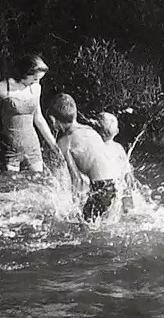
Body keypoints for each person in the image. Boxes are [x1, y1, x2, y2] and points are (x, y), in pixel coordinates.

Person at [46, 93, 124, 222]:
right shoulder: (89, 129)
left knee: (81, 227)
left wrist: (73, 205)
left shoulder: (65, 142)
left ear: (53, 120)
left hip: (101, 188)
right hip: (114, 184)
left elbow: (75, 179)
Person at [0, 52, 58, 174]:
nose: (36, 82)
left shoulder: (36, 87)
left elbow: (38, 118)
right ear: (25, 73)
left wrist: (54, 145)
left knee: (37, 185)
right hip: (11, 148)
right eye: (35, 79)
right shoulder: (1, 88)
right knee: (11, 188)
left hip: (33, 146)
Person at [93, 111, 136, 212]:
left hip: (104, 188)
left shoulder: (95, 148)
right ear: (116, 131)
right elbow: (127, 174)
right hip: (118, 186)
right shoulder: (118, 148)